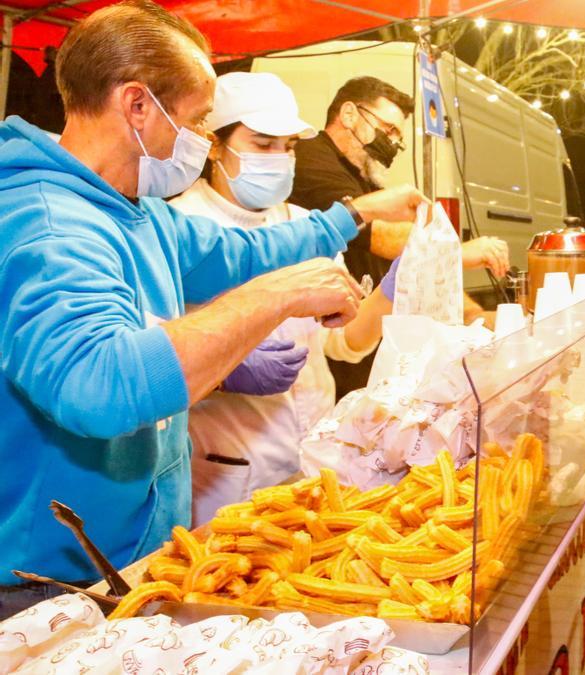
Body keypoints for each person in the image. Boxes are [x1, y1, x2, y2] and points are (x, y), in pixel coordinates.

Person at [0, 0, 424, 616]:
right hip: (56, 583)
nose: (200, 142)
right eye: (197, 122)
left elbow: (244, 250)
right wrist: (276, 297)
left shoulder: (135, 209)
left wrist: (355, 214)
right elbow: (99, 384)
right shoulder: (48, 225)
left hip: (132, 559)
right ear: (138, 105)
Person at [169, 72, 407, 524]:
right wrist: (224, 366)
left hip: (316, 463)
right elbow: (150, 364)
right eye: (262, 145)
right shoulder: (181, 225)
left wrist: (391, 291)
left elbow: (342, 341)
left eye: (289, 147)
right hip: (227, 471)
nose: (279, 159)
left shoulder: (304, 224)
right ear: (214, 146)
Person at [289, 76, 509, 397]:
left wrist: (472, 313)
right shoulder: (313, 162)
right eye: (388, 128)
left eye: (398, 137)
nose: (392, 142)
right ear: (349, 114)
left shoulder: (366, 179)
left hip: (364, 339)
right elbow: (382, 238)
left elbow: (408, 260)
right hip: (331, 353)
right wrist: (457, 251)